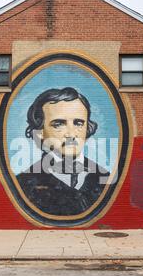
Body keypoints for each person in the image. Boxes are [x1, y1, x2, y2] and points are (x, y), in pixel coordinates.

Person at [16, 87, 110, 215]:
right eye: (59, 124)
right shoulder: (23, 184)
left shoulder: (107, 179)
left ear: (88, 128)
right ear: (39, 132)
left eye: (78, 123)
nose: (71, 134)